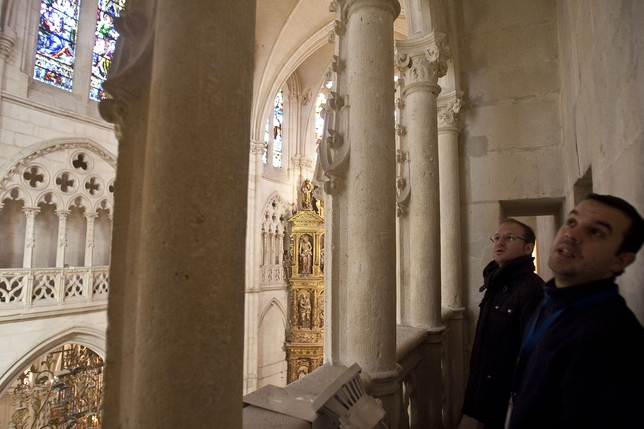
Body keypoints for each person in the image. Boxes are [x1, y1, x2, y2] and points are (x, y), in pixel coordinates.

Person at [508, 194, 644, 429]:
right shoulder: (550, 299)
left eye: (596, 232)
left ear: (620, 260)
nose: (572, 234)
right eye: (571, 222)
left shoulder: (611, 340)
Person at [461, 219, 544, 429]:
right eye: (497, 238)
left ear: (528, 248)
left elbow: (534, 355)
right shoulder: (497, 284)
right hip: (488, 395)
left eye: (509, 237)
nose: (500, 243)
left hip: (509, 400)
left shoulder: (532, 289)